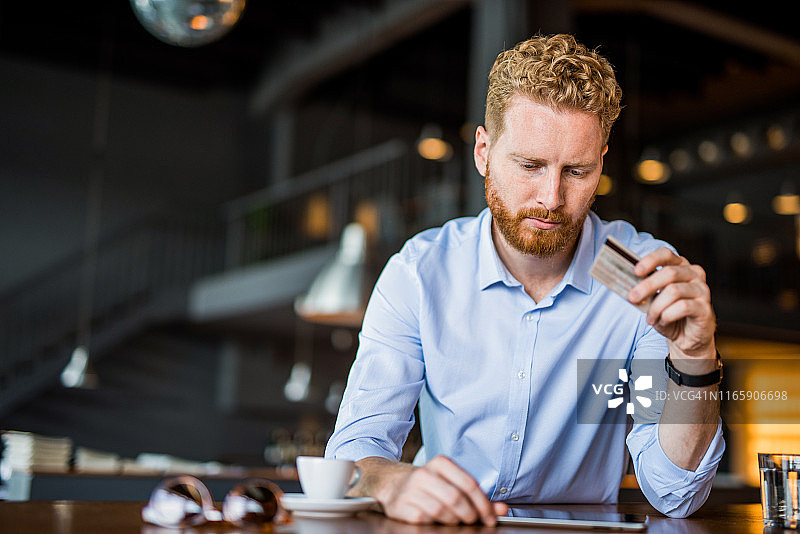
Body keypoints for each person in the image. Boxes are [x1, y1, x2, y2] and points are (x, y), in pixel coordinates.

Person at [325, 33, 724, 526]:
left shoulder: (640, 279)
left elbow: (674, 494)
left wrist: (695, 357)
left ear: (601, 161)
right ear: (484, 153)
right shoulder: (421, 275)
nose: (552, 198)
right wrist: (391, 480)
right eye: (530, 166)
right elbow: (353, 456)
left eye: (576, 171)